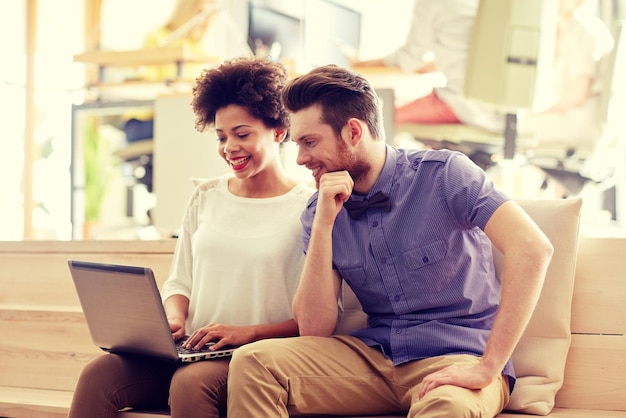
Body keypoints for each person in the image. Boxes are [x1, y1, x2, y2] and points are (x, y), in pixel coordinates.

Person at [227, 65, 554, 418]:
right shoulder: (317, 210)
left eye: (309, 142)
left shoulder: (446, 175)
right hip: (373, 358)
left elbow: (533, 249)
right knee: (253, 362)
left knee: (448, 410)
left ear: (353, 131)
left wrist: (489, 366)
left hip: (457, 358)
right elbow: (313, 329)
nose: (301, 159)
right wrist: (323, 226)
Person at [67, 57, 314, 418]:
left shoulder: (309, 206)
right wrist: (173, 320)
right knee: (99, 374)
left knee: (191, 382)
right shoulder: (206, 196)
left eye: (242, 134)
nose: (229, 147)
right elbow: (180, 281)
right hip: (192, 348)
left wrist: (247, 332)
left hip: (256, 356)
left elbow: (318, 317)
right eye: (221, 136)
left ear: (278, 131)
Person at [351, 0, 504, 132]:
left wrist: (358, 64)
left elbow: (409, 58)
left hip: (464, 106)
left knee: (378, 120)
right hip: (502, 112)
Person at [518, 0, 614, 146]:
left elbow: (578, 93)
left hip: (579, 122)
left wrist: (540, 112)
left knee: (512, 126)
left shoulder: (581, 28)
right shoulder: (586, 25)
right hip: (582, 120)